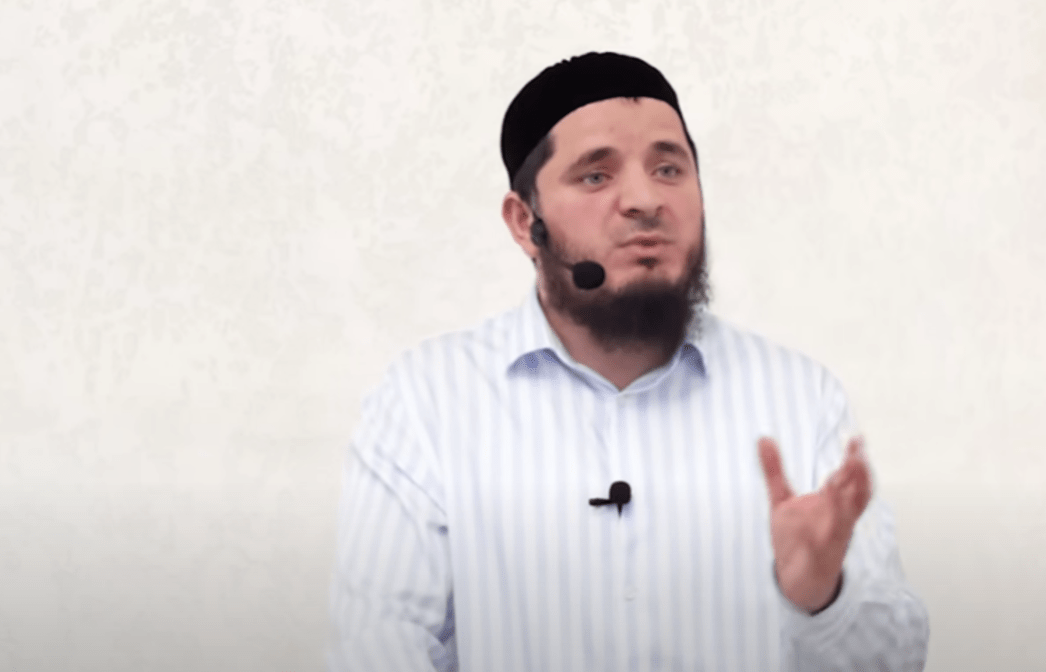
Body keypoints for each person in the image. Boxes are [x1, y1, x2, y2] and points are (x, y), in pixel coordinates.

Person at [326, 52, 930, 671]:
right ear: (524, 221)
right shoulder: (427, 400)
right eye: (596, 176)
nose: (645, 200)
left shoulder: (799, 398)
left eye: (669, 169)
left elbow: (896, 662)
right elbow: (378, 645)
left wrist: (822, 599)